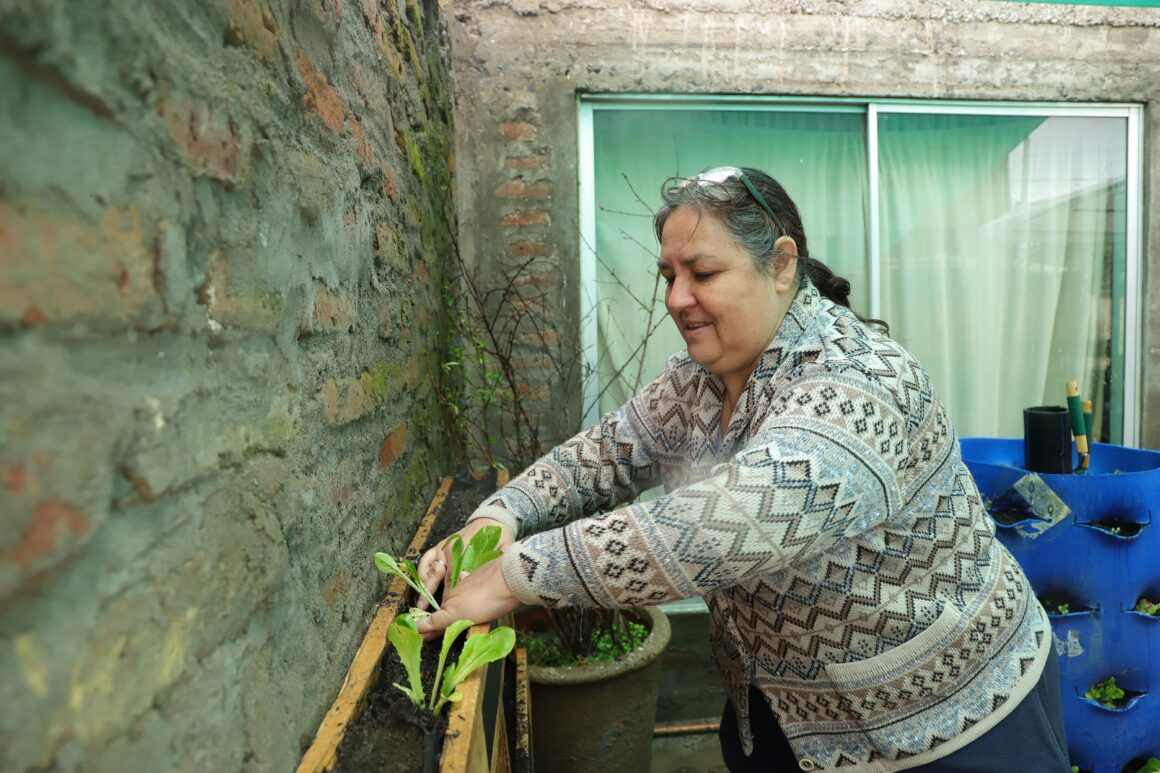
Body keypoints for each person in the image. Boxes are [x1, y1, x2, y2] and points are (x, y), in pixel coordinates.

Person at [416, 166, 1071, 771]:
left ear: (781, 264)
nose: (677, 298)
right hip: (789, 713)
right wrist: (500, 514)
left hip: (953, 724)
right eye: (668, 275)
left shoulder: (861, 377)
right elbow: (605, 452)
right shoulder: (699, 381)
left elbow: (734, 521)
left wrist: (519, 573)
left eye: (701, 272)